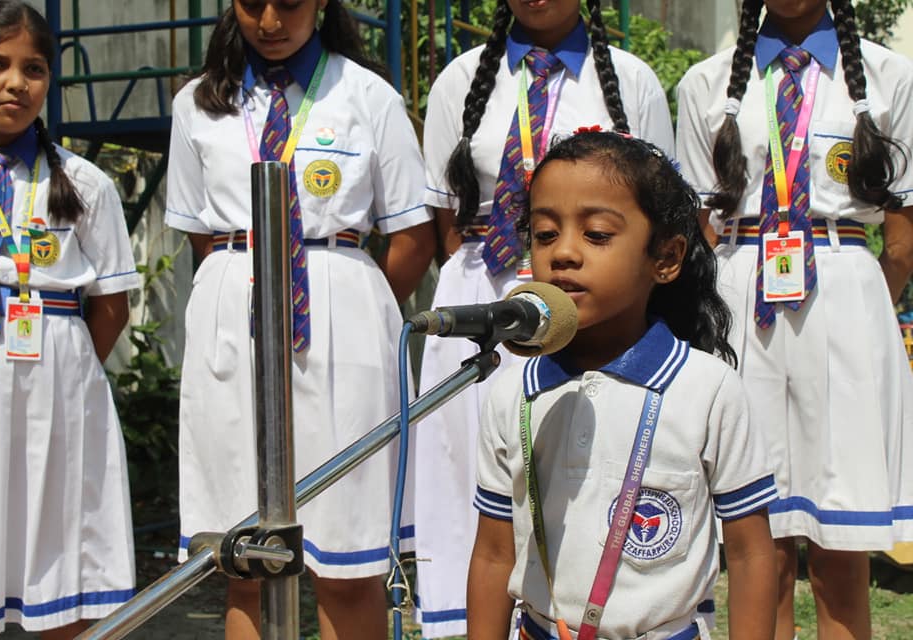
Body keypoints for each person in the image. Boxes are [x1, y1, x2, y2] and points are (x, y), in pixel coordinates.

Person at [164, 1, 435, 638]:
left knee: (348, 559)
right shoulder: (198, 104)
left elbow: (411, 237)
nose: (270, 19)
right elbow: (201, 235)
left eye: (288, 2)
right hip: (237, 312)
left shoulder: (369, 95)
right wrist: (252, 287)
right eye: (252, 2)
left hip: (341, 315)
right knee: (243, 558)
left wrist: (348, 301)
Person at [415, 1, 674, 635]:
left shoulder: (631, 80)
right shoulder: (459, 79)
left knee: (576, 465)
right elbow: (445, 218)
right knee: (467, 477)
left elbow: (660, 207)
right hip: (483, 294)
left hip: (589, 307)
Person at [468, 129, 778, 640]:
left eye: (596, 235)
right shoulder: (513, 392)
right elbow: (493, 554)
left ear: (666, 258)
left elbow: (749, 553)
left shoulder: (708, 390)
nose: (563, 253)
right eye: (545, 234)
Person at [675, 0, 913, 637]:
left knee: (843, 541)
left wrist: (861, 311)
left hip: (843, 280)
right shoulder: (707, 81)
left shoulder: (891, 77)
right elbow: (699, 224)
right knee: (758, 537)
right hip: (742, 282)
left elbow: (902, 236)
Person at [0, 2, 139, 638]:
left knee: (57, 553)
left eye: (33, 68)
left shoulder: (85, 182)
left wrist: (60, 363)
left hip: (53, 394)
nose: (15, 82)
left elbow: (111, 306)